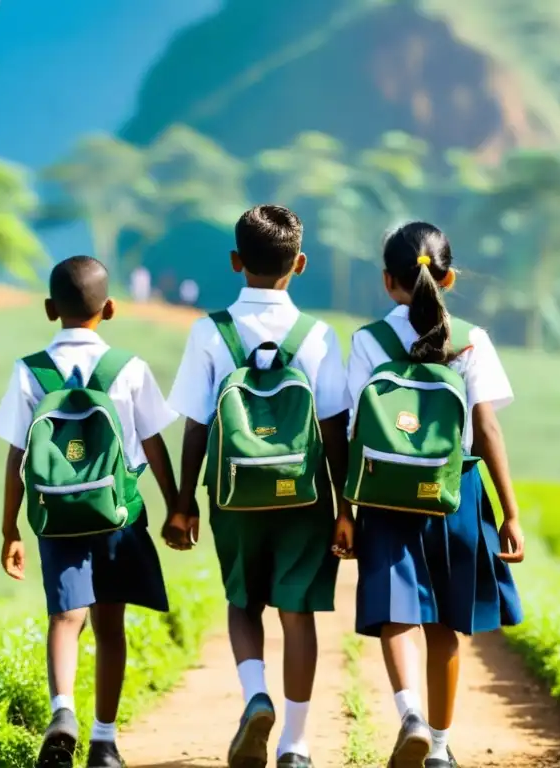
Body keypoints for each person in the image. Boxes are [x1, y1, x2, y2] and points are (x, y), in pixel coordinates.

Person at [163, 205, 350, 768]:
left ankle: (255, 697)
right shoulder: (317, 336)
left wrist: (183, 502)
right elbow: (334, 426)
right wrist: (345, 509)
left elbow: (197, 423)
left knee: (243, 601)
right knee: (298, 613)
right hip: (306, 495)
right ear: (300, 263)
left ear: (235, 261)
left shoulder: (208, 331)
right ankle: (295, 743)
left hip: (232, 492)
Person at [336, 222, 525, 768]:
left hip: (384, 496)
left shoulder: (368, 340)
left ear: (387, 280)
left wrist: (345, 511)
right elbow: (487, 430)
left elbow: (353, 430)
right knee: (447, 625)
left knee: (397, 616)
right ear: (449, 276)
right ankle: (439, 748)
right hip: (456, 494)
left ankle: (409, 715)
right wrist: (509, 513)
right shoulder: (471, 338)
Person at [0, 255, 180, 768]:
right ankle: (104, 740)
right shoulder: (129, 368)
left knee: (65, 616)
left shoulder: (29, 370)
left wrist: (10, 528)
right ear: (110, 308)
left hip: (56, 518)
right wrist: (177, 505)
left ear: (50, 308)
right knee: (109, 624)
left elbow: (16, 455)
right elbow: (153, 441)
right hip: (118, 512)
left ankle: (62, 710)